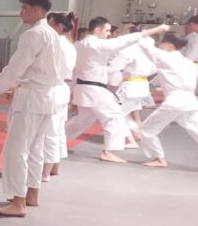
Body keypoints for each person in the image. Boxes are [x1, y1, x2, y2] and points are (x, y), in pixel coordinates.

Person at [0, 0, 65, 217]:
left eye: (25, 8)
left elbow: (15, 67)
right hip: (47, 96)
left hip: (31, 98)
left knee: (16, 150)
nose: (22, 13)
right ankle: (32, 194)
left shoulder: (33, 34)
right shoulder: (53, 35)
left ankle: (18, 202)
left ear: (37, 11)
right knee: (35, 149)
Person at [64, 18, 168, 163]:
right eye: (107, 31)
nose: (109, 34)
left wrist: (72, 89)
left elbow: (75, 70)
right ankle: (108, 151)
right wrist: (154, 30)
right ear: (97, 30)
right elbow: (121, 42)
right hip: (94, 88)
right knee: (115, 116)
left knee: (84, 118)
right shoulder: (96, 44)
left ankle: (58, 138)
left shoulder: (79, 45)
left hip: (83, 87)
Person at [135, 33, 198, 168]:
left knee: (147, 129)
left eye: (162, 42)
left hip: (175, 100)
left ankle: (159, 158)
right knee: (195, 129)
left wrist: (148, 33)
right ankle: (158, 158)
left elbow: (145, 46)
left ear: (169, 45)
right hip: (190, 100)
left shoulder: (165, 57)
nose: (160, 45)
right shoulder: (189, 63)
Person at [42, 12, 77, 181]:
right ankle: (55, 166)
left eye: (50, 24)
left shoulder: (56, 43)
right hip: (61, 88)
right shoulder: (69, 44)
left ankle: (45, 172)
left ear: (59, 26)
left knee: (50, 132)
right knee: (58, 130)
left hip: (53, 89)